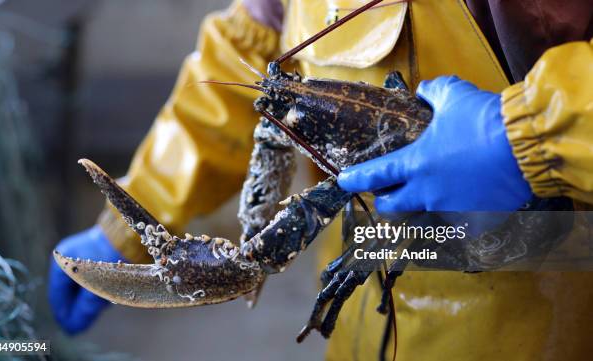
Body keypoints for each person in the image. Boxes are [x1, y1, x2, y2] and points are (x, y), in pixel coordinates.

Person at [49, 0, 593, 359]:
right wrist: (137, 213)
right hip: (364, 303)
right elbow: (252, 54)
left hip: (541, 312)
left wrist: (528, 135)